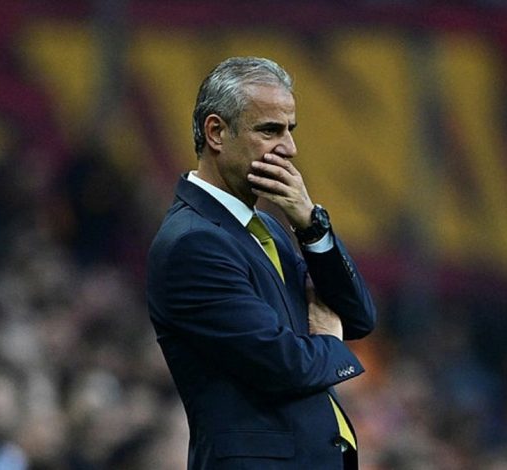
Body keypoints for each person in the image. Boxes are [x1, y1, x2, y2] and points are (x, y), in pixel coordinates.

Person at [146, 56, 377, 470]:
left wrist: (311, 227)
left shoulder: (267, 226)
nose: (289, 148)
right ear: (216, 132)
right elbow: (283, 366)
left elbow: (358, 316)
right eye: (270, 130)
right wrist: (329, 342)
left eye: (290, 130)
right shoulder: (193, 244)